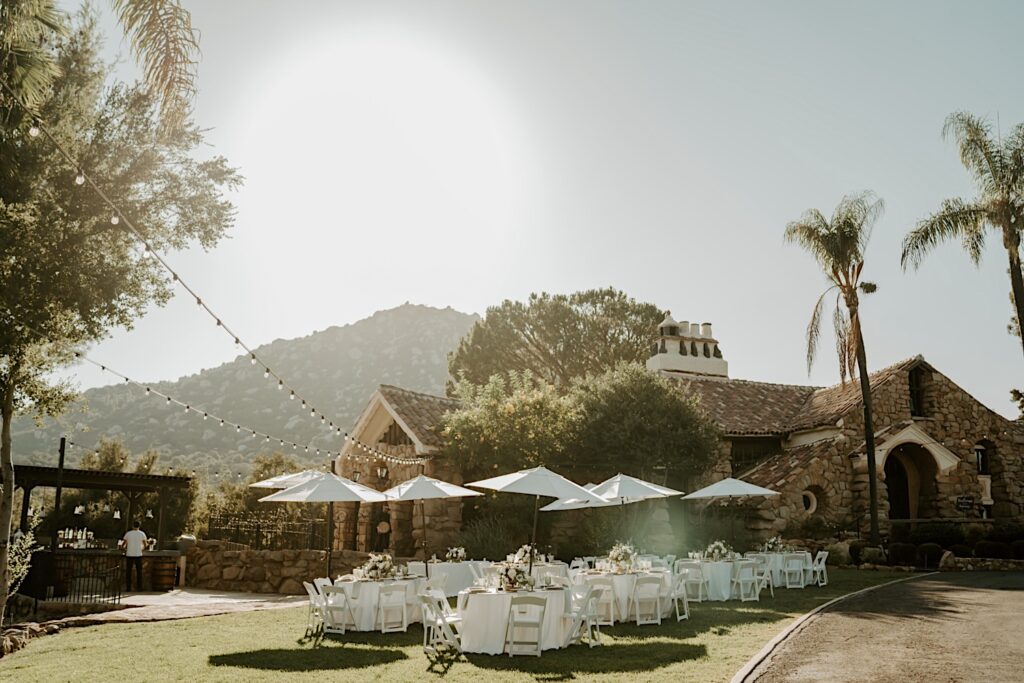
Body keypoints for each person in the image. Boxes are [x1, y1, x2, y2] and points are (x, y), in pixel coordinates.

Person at [122, 521, 147, 591]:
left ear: (132, 526)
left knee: (128, 571)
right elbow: (145, 544)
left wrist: (124, 548)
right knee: (139, 572)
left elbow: (123, 544)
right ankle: (139, 587)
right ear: (139, 526)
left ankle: (128, 587)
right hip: (138, 554)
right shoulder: (142, 534)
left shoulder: (128, 534)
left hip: (129, 554)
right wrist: (142, 549)